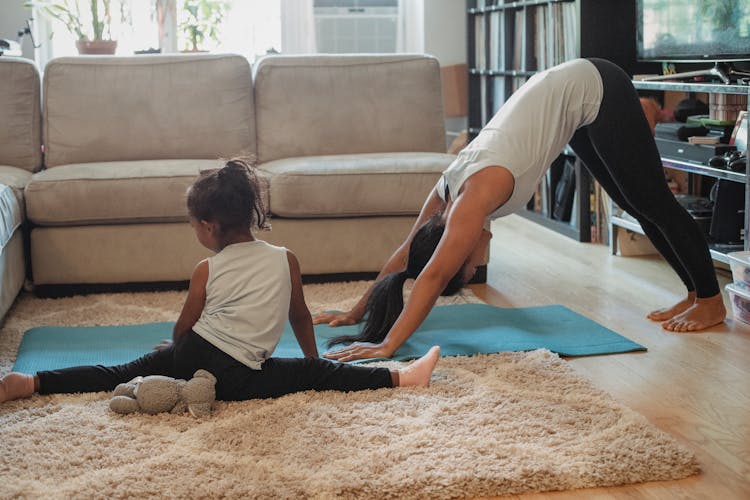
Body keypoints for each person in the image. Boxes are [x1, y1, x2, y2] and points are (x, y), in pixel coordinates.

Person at [317, 58, 726, 363]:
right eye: (471, 269)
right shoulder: (445, 194)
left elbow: (433, 274)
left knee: (652, 199)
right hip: (572, 100)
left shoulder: (472, 201)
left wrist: (388, 344)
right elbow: (407, 255)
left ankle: (710, 298)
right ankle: (692, 291)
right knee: (631, 202)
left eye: (468, 266)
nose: (474, 267)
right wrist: (357, 311)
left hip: (596, 85)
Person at [0, 160, 441, 405]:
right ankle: (402, 380)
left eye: (193, 225)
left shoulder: (205, 270)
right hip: (235, 374)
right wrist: (314, 364)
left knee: (118, 371)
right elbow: (301, 317)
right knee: (313, 374)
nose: (195, 232)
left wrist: (174, 353)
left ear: (209, 227)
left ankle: (29, 383)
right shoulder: (286, 259)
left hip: (196, 352)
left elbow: (184, 327)